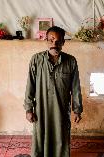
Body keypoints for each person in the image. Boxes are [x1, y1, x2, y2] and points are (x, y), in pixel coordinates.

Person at [24, 26, 83, 157]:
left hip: (61, 110)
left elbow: (76, 87)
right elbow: (30, 86)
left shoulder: (71, 61)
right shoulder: (36, 60)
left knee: (60, 136)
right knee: (40, 137)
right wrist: (28, 109)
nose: (54, 44)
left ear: (63, 42)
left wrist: (77, 110)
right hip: (41, 110)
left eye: (58, 41)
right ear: (46, 40)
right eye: (51, 40)